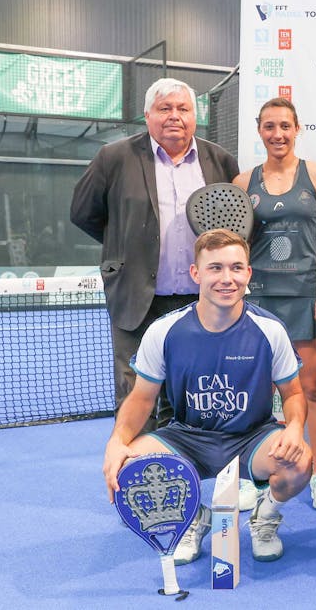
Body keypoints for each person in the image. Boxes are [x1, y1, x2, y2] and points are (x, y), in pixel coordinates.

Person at [102, 229, 313, 565]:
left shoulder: (270, 329)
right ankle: (194, 516)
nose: (226, 278)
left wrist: (294, 427)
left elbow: (294, 393)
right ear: (196, 273)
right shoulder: (164, 330)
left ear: (248, 273)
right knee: (127, 468)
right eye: (215, 268)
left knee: (299, 462)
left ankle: (265, 515)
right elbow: (142, 399)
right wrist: (117, 441)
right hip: (187, 437)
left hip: (252, 437)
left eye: (236, 268)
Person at [71, 78, 240, 433]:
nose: (174, 116)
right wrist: (124, 243)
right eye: (165, 108)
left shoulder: (220, 161)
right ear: (147, 115)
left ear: (196, 115)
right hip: (135, 300)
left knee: (187, 396)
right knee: (135, 396)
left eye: (183, 108)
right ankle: (135, 475)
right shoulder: (113, 158)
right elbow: (83, 212)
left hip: (199, 303)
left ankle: (180, 475)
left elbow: (230, 226)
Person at [233, 98, 316, 512]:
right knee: (255, 389)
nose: (277, 134)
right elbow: (236, 245)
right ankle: (252, 476)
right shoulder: (243, 182)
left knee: (313, 387)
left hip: (305, 296)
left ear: (298, 129)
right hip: (257, 297)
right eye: (269, 126)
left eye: (285, 126)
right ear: (259, 130)